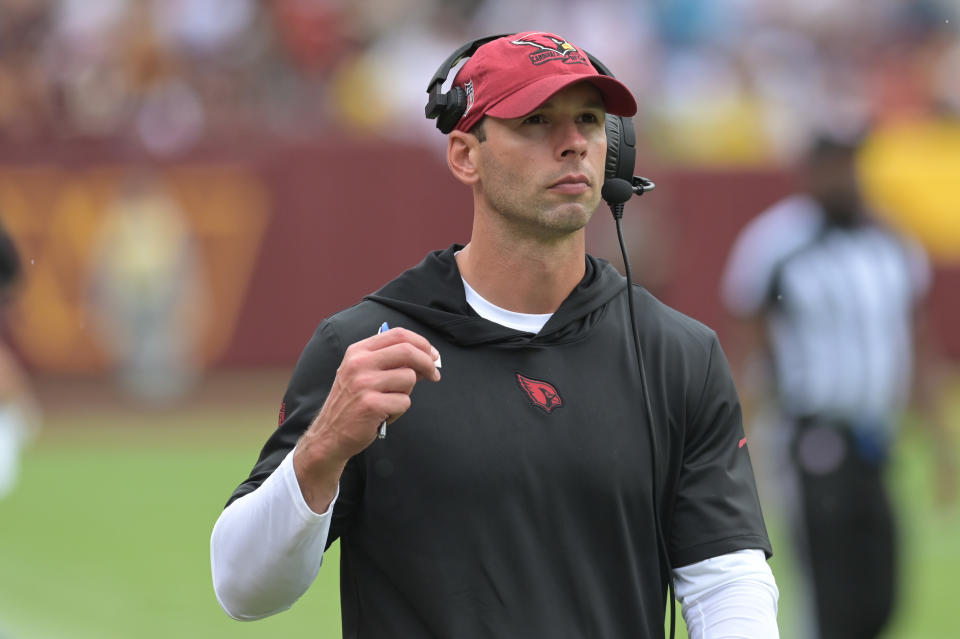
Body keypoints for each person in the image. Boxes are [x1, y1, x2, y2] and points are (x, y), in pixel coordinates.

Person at [211, 31, 779, 638]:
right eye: (535, 120)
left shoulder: (676, 355)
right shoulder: (365, 349)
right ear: (464, 155)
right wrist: (321, 451)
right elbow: (244, 590)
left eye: (588, 120)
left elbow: (725, 578)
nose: (572, 145)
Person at [721, 132, 956, 639]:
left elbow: (917, 344)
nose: (844, 178)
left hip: (876, 438)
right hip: (808, 437)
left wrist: (939, 443)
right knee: (826, 594)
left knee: (882, 594)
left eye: (851, 164)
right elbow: (752, 349)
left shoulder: (889, 241)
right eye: (834, 166)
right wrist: (737, 444)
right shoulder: (777, 243)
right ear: (811, 171)